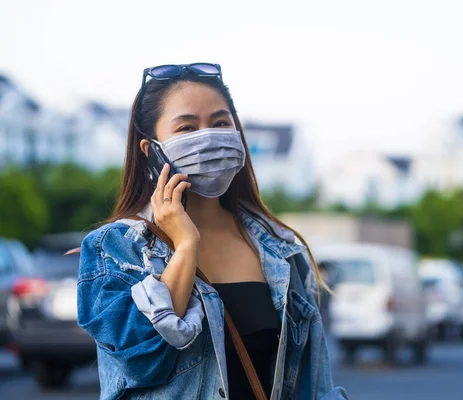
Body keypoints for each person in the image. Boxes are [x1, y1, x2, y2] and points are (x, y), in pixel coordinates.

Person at [76, 63, 347, 400]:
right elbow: (141, 363)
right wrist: (186, 246)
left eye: (220, 123)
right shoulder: (116, 248)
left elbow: (313, 384)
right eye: (187, 128)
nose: (209, 138)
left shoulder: (282, 250)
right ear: (152, 150)